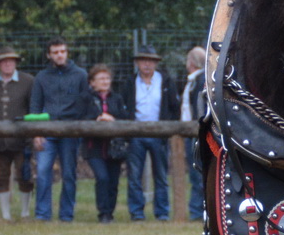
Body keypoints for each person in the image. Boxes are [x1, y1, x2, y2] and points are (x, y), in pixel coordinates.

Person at [29, 37, 91, 222]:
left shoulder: (80, 75)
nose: (60, 55)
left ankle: (66, 214)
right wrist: (36, 132)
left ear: (67, 52)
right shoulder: (41, 77)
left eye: (62, 51)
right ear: (49, 55)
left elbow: (85, 103)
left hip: (70, 132)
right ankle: (42, 214)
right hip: (47, 130)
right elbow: (35, 106)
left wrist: (77, 126)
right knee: (42, 172)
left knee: (69, 174)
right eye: (55, 52)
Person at [118, 45, 180, 222]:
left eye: (151, 61)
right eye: (143, 60)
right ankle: (137, 212)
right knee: (134, 176)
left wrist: (167, 128)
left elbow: (174, 108)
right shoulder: (130, 82)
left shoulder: (166, 82)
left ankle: (162, 213)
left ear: (156, 63)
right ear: (137, 63)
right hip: (136, 134)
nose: (147, 64)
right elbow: (124, 107)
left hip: (159, 135)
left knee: (160, 175)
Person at [0, 47, 36, 220]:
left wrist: (33, 134)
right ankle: (5, 215)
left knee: (25, 175)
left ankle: (24, 212)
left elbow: (33, 108)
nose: (7, 63)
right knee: (0, 176)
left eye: (10, 60)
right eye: (3, 61)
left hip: (23, 139)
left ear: (16, 62)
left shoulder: (28, 81)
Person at [84, 65, 130, 223]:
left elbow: (125, 117)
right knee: (102, 178)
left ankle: (110, 212)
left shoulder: (117, 98)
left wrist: (112, 120)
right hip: (94, 148)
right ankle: (103, 212)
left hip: (114, 149)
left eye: (107, 78)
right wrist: (97, 119)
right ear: (92, 82)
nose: (105, 81)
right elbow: (81, 117)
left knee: (113, 181)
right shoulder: (86, 98)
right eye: (101, 78)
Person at [182, 46, 208, 220]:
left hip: (195, 133)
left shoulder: (199, 80)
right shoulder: (194, 80)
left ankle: (198, 211)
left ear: (191, 62)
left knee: (197, 173)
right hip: (189, 132)